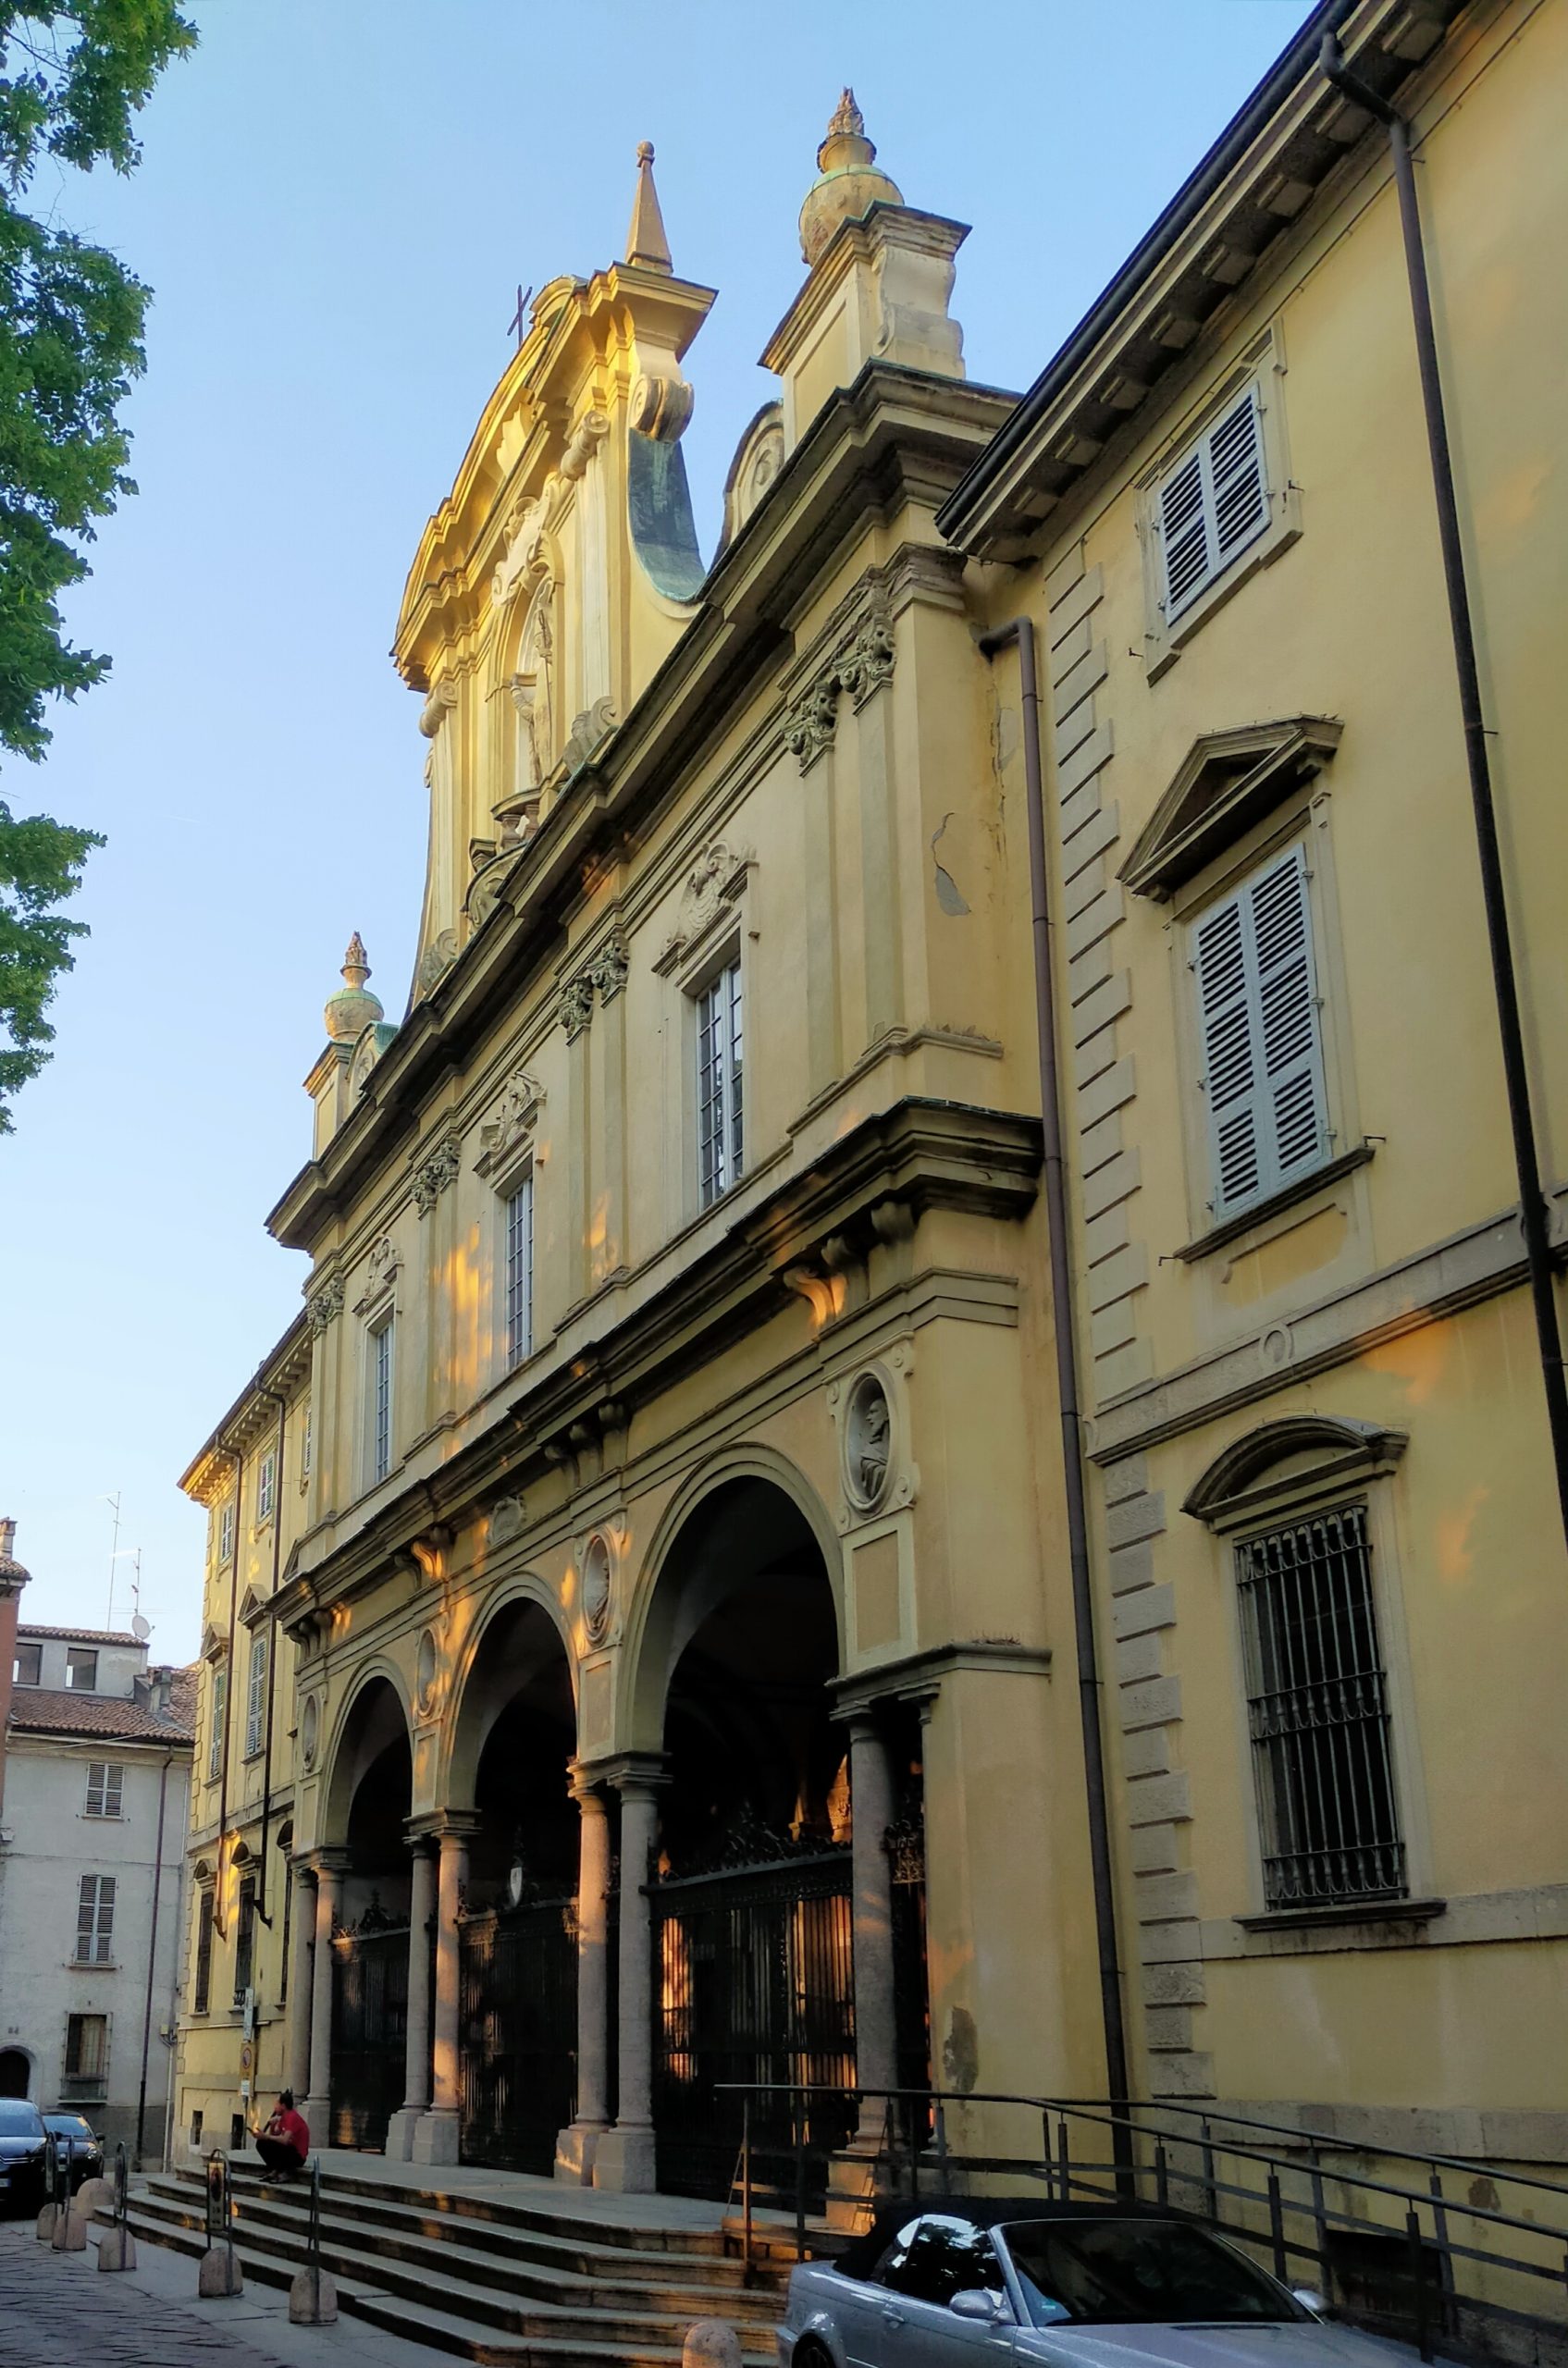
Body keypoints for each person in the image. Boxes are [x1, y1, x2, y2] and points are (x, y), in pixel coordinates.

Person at [252, 2090, 309, 2183]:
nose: (274, 2108)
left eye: (276, 2104)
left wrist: (266, 2136)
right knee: (262, 2144)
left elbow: (284, 2140)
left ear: (283, 2106)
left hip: (298, 2156)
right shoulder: (283, 2118)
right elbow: (274, 2137)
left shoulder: (292, 2117)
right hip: (289, 2150)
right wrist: (272, 2126)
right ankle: (275, 2170)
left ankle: (286, 2173)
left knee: (270, 2143)